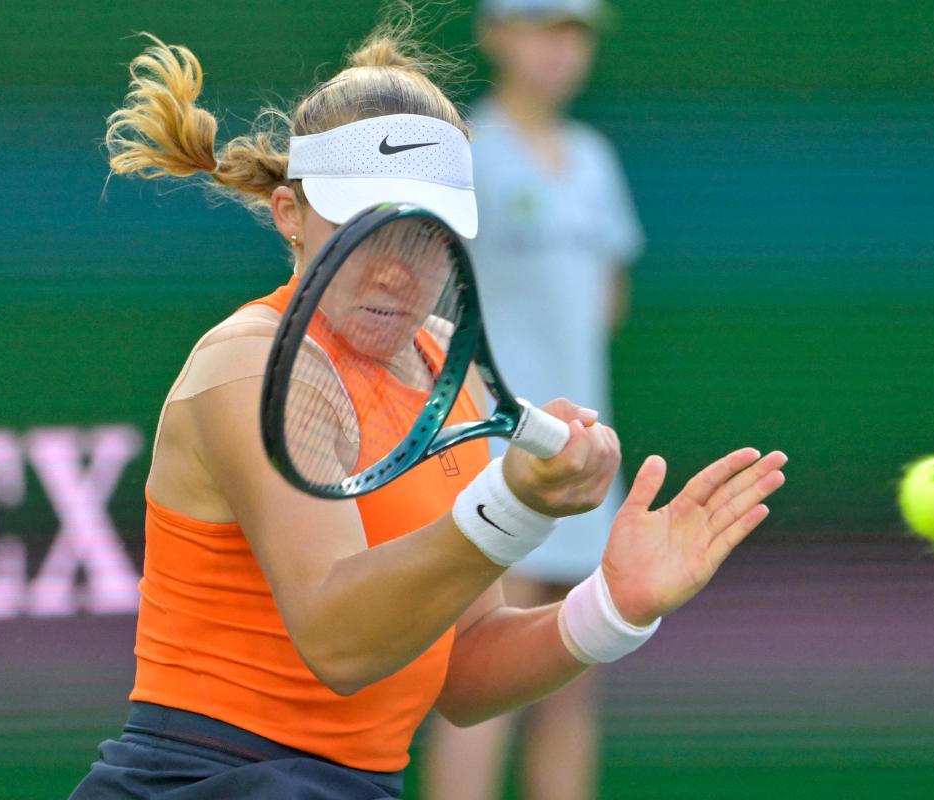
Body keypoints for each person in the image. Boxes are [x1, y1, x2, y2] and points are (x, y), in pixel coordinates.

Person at [69, 16, 787, 800]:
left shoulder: (453, 368)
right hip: (206, 780)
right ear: (289, 216)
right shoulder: (250, 365)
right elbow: (339, 642)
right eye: (362, 229)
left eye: (423, 234)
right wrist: (510, 507)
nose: (393, 271)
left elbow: (463, 668)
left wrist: (612, 609)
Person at [423, 2, 643, 798]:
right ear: (496, 35)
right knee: (477, 687)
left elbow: (606, 301)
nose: (559, 49)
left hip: (586, 461)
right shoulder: (465, 155)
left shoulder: (593, 158)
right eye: (542, 26)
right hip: (490, 459)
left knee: (571, 682)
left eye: (573, 31)